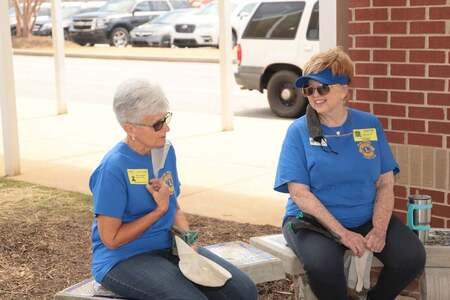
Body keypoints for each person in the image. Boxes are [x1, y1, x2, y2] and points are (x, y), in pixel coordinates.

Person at [274, 47, 425, 300]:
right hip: (312, 222)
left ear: (344, 89)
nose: (314, 95)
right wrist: (342, 233)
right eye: (308, 89)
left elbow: (385, 183)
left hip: (364, 216)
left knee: (412, 257)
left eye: (322, 88)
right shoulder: (298, 131)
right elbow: (299, 194)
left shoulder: (369, 124)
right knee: (324, 267)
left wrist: (378, 229)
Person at [89, 78, 258, 300]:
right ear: (129, 128)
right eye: (157, 124)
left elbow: (174, 206)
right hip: (123, 259)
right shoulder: (113, 168)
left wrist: (190, 242)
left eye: (166, 119)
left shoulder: (164, 151)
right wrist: (157, 211)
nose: (166, 128)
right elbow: (111, 239)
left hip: (169, 247)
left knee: (244, 291)